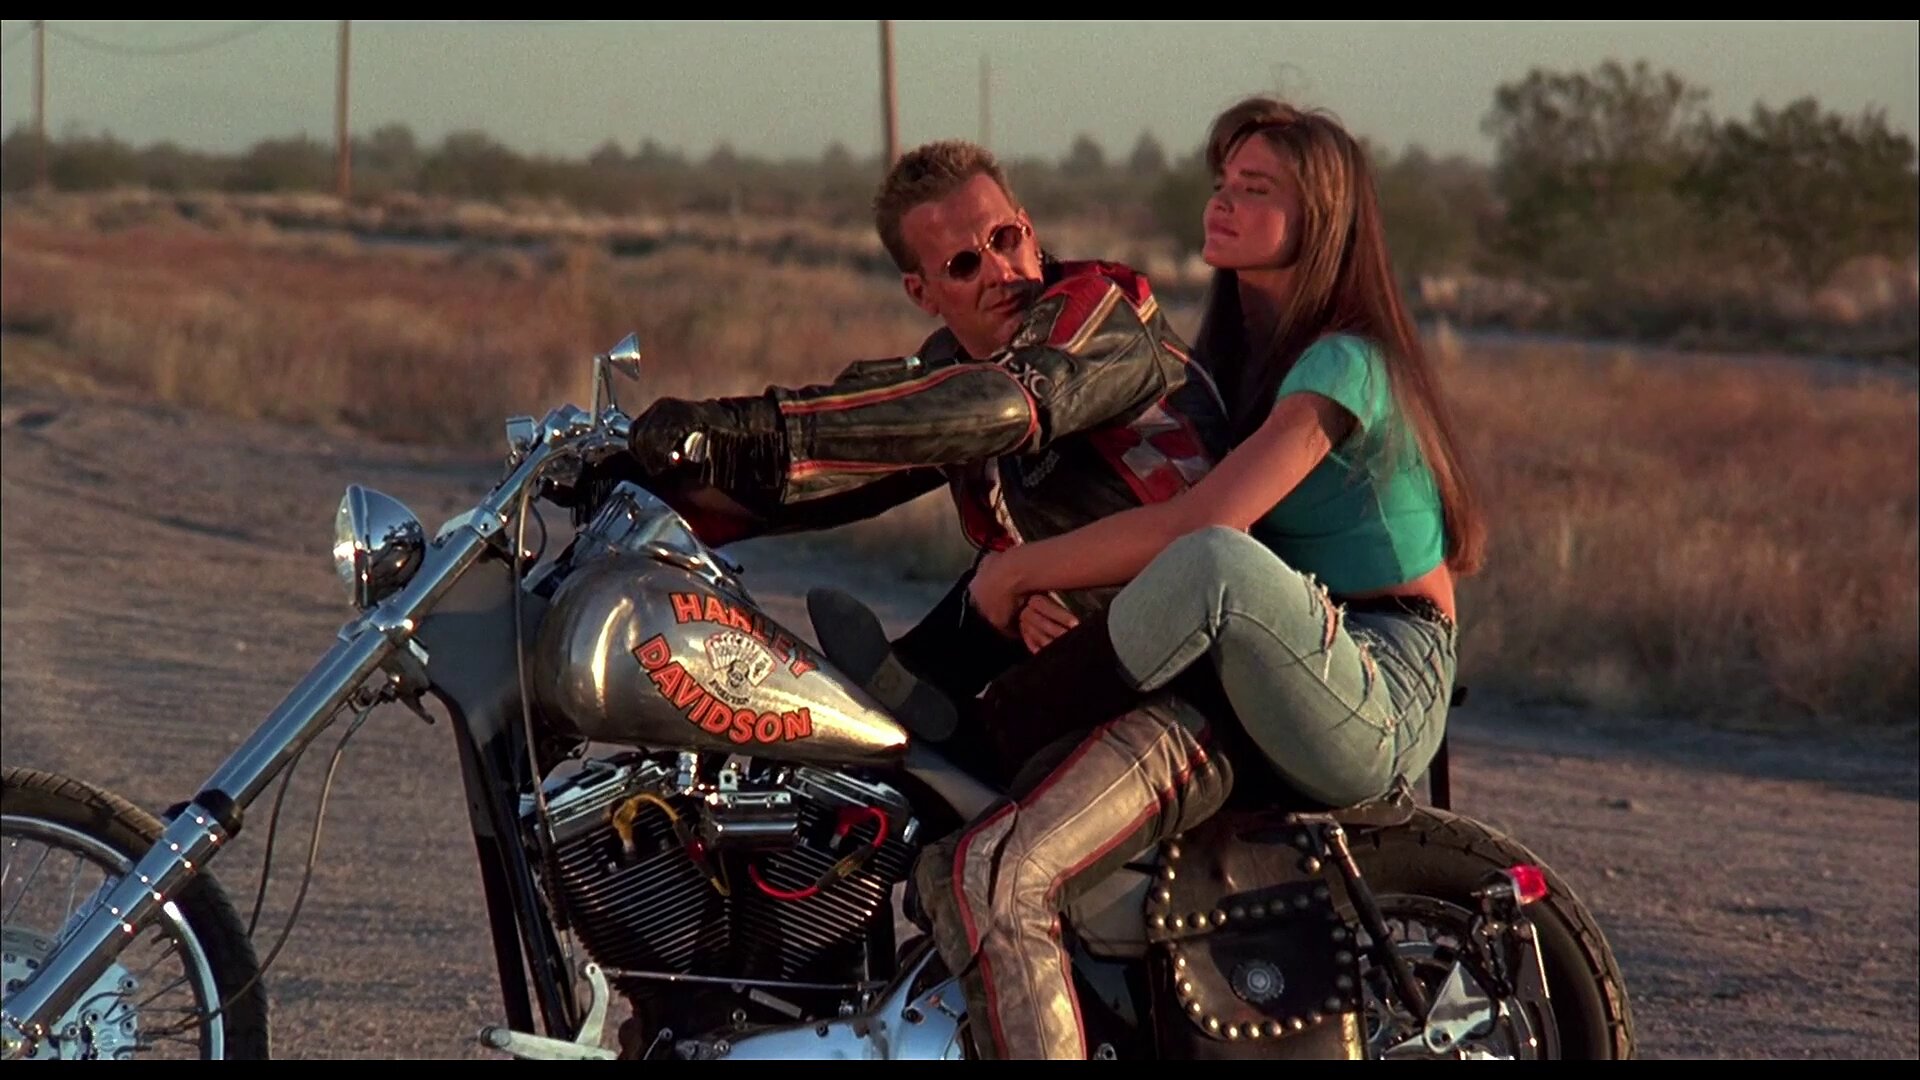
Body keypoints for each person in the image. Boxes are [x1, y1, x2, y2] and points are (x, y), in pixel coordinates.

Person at [611, 139, 1237, 1059]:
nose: (1001, 271)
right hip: (1087, 674)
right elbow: (838, 470)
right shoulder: (951, 375)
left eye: (1006, 239)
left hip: (1195, 677)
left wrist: (743, 427)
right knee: (825, 781)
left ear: (1032, 231)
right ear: (923, 291)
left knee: (990, 877)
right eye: (964, 263)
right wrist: (636, 475)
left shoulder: (1103, 312)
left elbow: (1002, 407)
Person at [962, 95, 1488, 815]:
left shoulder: (1346, 364)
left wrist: (1016, 572)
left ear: (1321, 218)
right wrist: (1036, 600)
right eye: (1222, 184)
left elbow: (1202, 524)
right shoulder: (1229, 367)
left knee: (1214, 558)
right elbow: (1142, 507)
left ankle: (989, 737)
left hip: (1383, 682)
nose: (1223, 202)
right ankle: (932, 704)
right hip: (1286, 651)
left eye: (1256, 189)